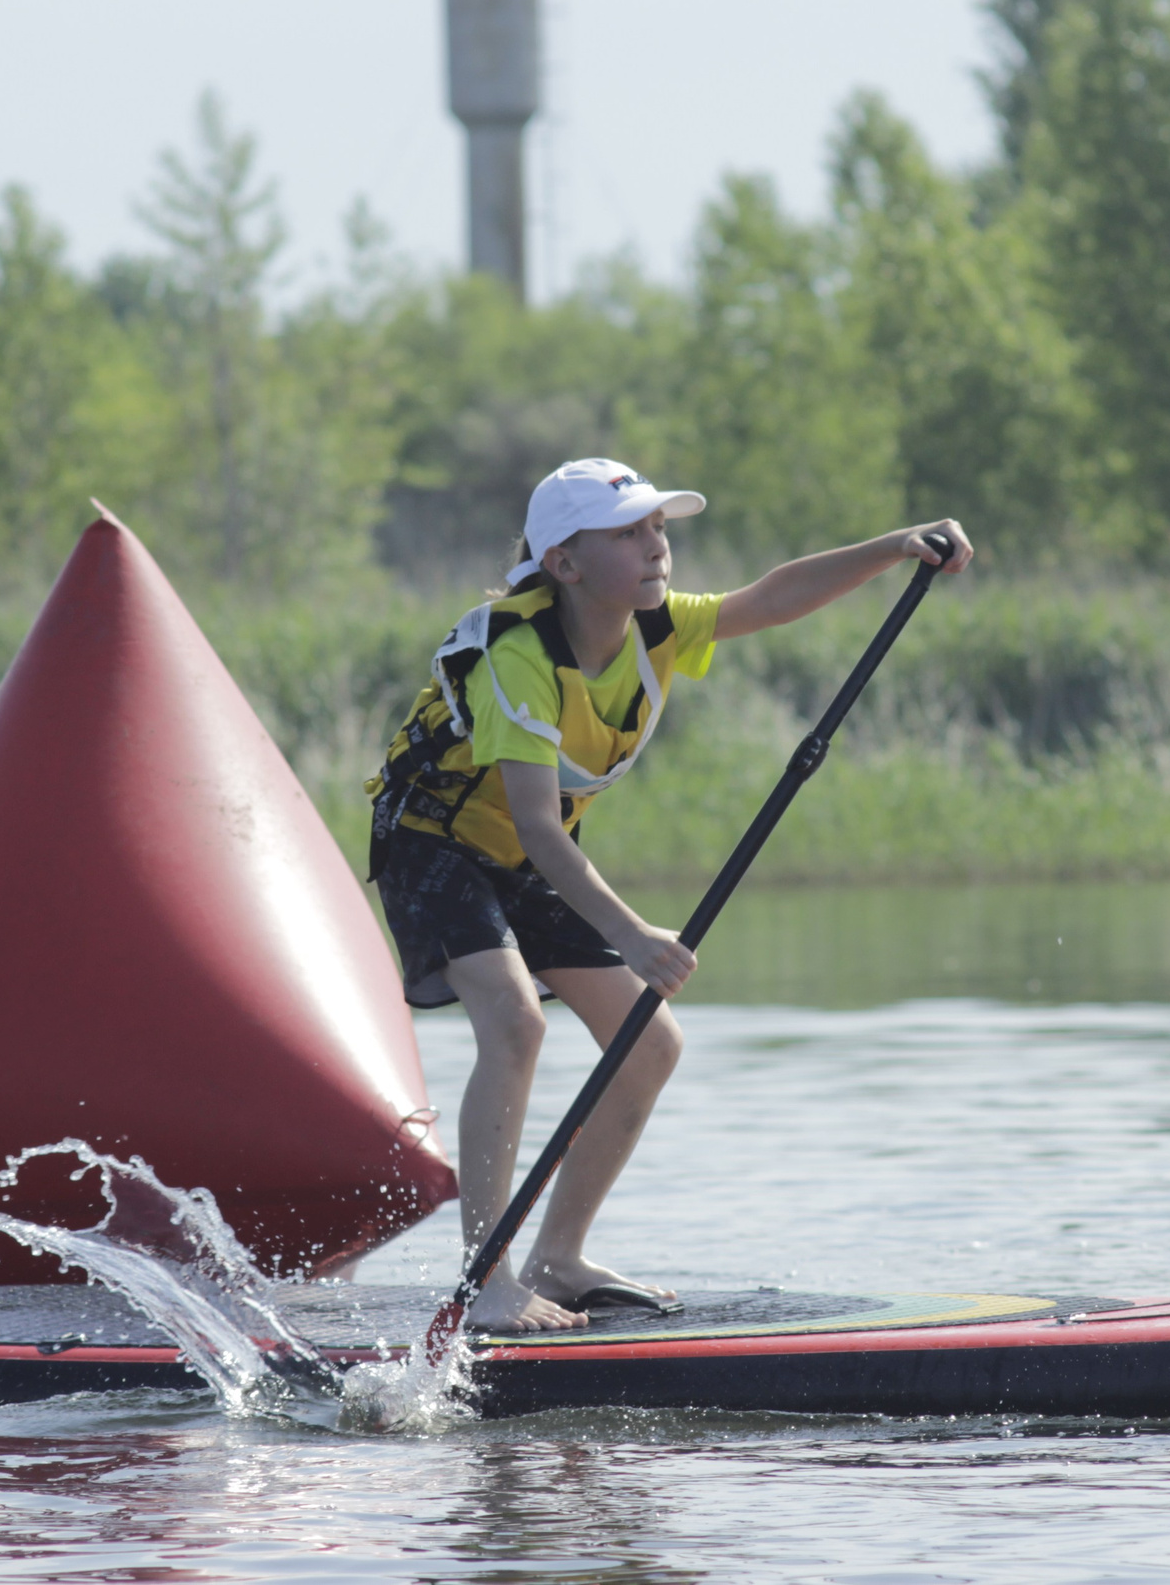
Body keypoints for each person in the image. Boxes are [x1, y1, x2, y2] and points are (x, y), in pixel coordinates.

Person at [369, 458, 973, 1331]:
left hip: (519, 855)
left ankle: (558, 1259)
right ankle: (488, 1281)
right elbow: (540, 827)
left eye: (659, 528)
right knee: (514, 1020)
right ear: (566, 564)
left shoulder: (653, 628)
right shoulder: (518, 653)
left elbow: (767, 599)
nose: (657, 546)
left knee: (649, 1043)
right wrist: (634, 931)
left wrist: (893, 547)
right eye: (630, 533)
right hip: (433, 843)